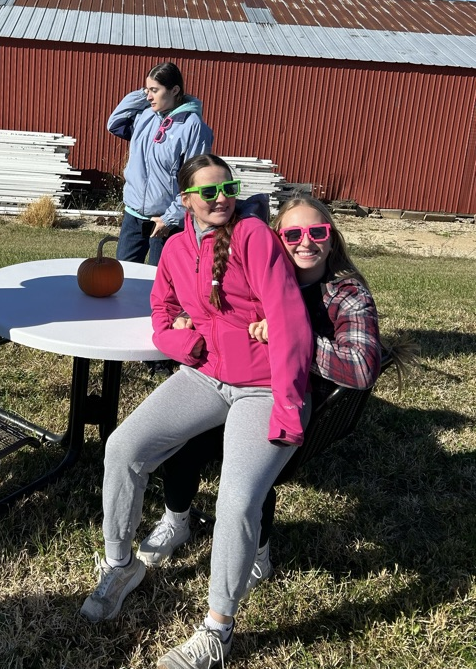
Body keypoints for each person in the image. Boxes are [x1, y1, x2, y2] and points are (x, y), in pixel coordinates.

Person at [79, 154, 314, 669]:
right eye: (207, 192)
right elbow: (161, 315)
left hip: (263, 387)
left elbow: (288, 320)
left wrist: (288, 403)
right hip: (206, 376)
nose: (220, 198)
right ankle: (120, 566)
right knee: (123, 447)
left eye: (227, 187)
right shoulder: (175, 250)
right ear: (185, 200)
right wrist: (188, 341)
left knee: (235, 498)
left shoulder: (253, 235)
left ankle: (217, 628)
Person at [137, 194, 383, 592]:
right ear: (276, 238)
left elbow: (361, 368)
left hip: (299, 403)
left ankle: (259, 553)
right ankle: (176, 519)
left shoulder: (345, 294)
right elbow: (215, 311)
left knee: (251, 466)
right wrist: (188, 319)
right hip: (239, 382)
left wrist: (293, 337)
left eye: (318, 231)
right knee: (183, 436)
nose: (306, 242)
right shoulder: (254, 273)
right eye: (293, 233)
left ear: (332, 239)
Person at [107, 62, 212, 266]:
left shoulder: (193, 127)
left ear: (174, 90)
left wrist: (171, 218)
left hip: (166, 220)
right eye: (147, 90)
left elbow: (196, 180)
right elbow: (114, 123)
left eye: (154, 91)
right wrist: (143, 91)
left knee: (160, 283)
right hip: (134, 215)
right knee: (124, 277)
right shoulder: (145, 116)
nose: (148, 97)